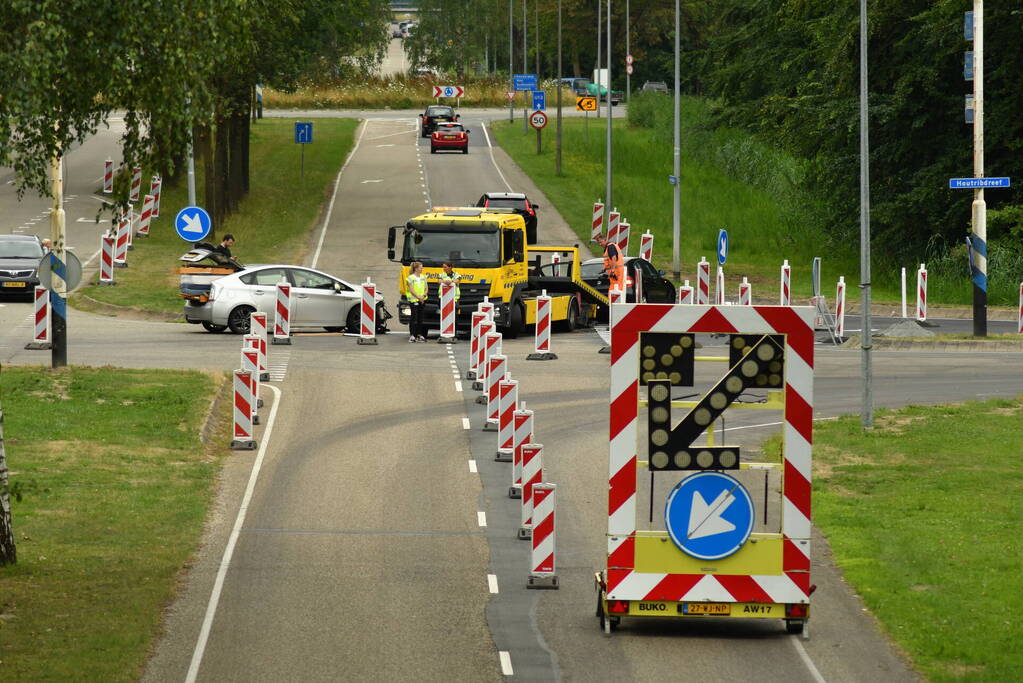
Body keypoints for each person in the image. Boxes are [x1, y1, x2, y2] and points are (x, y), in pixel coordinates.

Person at [406, 261, 428, 342]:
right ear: (416, 269)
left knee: (420, 318)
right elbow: (411, 290)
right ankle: (412, 335)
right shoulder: (410, 278)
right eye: (421, 268)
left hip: (422, 300)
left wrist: (423, 296)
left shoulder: (424, 277)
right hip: (414, 300)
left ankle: (419, 335)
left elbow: (426, 288)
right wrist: (419, 297)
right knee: (414, 318)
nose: (422, 269)